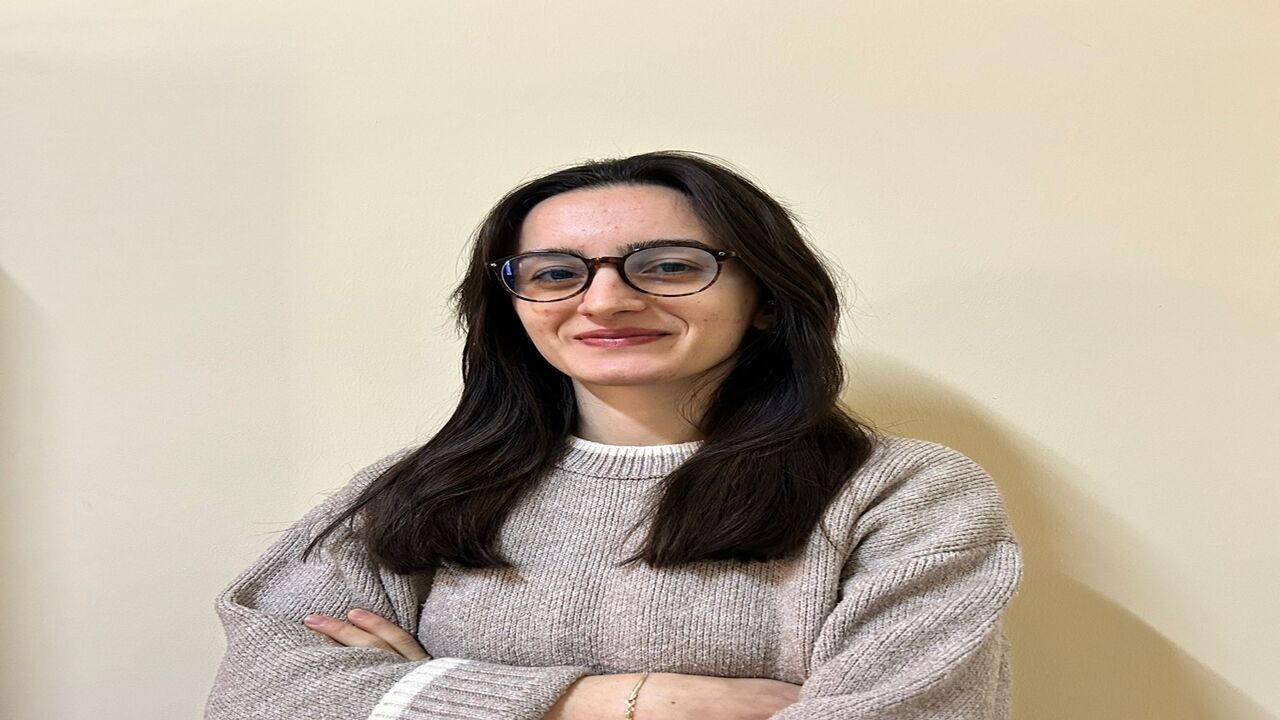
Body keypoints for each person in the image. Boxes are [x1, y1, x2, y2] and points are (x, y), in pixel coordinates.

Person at [205, 151, 1023, 720]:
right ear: (513, 307)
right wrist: (622, 702)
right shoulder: (419, 489)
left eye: (668, 266)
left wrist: (425, 696)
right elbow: (259, 696)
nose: (604, 301)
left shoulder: (904, 496)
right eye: (556, 273)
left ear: (766, 299)